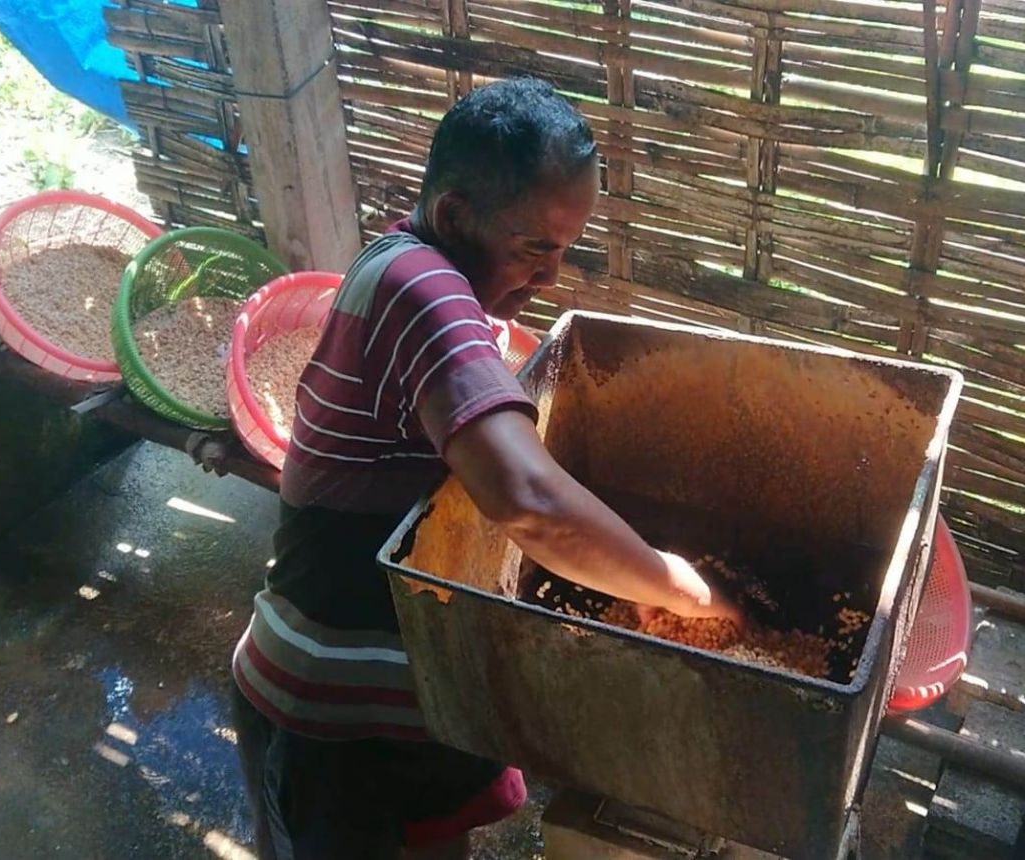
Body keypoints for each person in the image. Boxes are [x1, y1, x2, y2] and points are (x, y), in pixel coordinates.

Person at [230, 77, 739, 860]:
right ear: (455, 215)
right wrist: (684, 591)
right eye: (536, 247)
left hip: (420, 691)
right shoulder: (421, 286)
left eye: (565, 250)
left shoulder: (422, 273)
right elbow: (530, 501)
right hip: (335, 719)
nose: (550, 275)